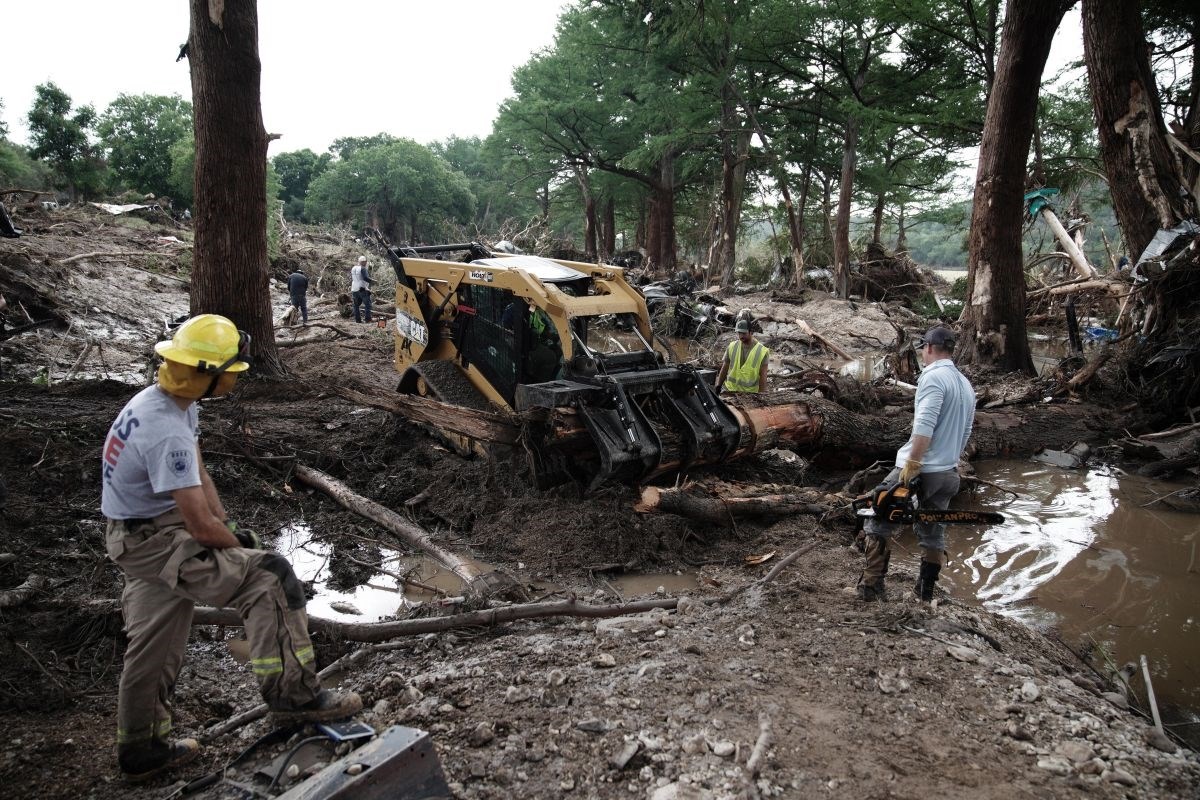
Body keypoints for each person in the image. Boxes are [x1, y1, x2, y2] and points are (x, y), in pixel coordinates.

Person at [100, 315, 361, 782]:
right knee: (269, 576)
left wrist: (226, 524)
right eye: (232, 371)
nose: (237, 379)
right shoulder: (166, 430)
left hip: (136, 533)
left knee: (154, 643)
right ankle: (293, 698)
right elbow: (198, 527)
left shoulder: (173, 402)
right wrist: (239, 543)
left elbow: (199, 473)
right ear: (209, 372)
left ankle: (141, 749)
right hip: (154, 538)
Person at [857, 325, 975, 602]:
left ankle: (871, 588)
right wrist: (951, 460)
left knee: (877, 518)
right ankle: (925, 593)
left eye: (923, 348)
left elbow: (924, 427)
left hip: (921, 468)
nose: (922, 353)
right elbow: (967, 431)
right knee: (933, 532)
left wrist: (911, 466)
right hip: (948, 472)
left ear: (930, 348)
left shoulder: (933, 377)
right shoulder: (965, 384)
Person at [714, 319, 769, 393]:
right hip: (730, 391)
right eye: (739, 333)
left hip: (749, 394)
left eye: (743, 333)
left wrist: (761, 395)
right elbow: (725, 367)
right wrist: (719, 385)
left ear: (751, 332)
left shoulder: (762, 351)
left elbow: (763, 377)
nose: (741, 336)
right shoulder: (732, 346)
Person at [350, 255, 374, 323]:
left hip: (354, 288)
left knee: (356, 305)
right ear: (364, 262)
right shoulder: (363, 269)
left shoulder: (354, 268)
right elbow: (365, 278)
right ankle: (368, 319)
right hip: (362, 288)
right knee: (368, 304)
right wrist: (373, 281)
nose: (366, 263)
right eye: (365, 262)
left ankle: (357, 320)